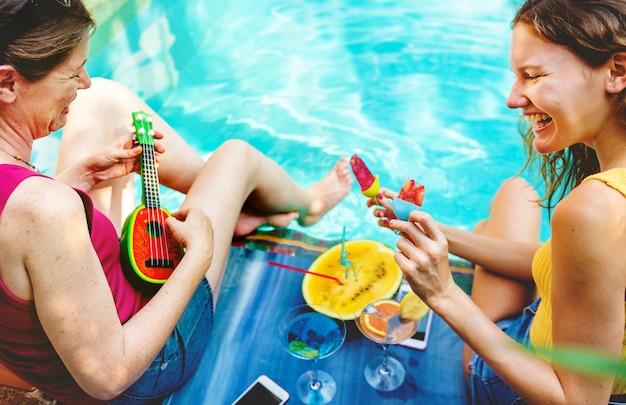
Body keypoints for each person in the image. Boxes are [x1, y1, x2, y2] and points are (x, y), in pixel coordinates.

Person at [0, 1, 353, 404]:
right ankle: (305, 206)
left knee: (106, 102)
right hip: (146, 362)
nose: (85, 82)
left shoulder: (29, 199)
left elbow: (15, 239)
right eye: (70, 72)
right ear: (7, 83)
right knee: (235, 156)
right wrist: (197, 258)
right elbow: (108, 377)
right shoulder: (44, 210)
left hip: (78, 312)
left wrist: (81, 179)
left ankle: (233, 205)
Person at [371, 0, 626, 403]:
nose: (512, 99)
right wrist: (432, 229)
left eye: (533, 76)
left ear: (617, 71)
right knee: (514, 193)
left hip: (536, 386)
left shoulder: (595, 208)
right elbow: (569, 264)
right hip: (572, 338)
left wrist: (442, 293)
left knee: (495, 217)